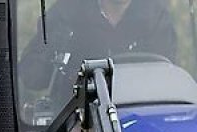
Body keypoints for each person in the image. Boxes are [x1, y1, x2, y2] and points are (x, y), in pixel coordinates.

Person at [19, 0, 177, 92]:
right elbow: (31, 75)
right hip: (75, 127)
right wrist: (65, 73)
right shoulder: (66, 14)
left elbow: (165, 80)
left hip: (137, 124)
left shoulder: (157, 18)